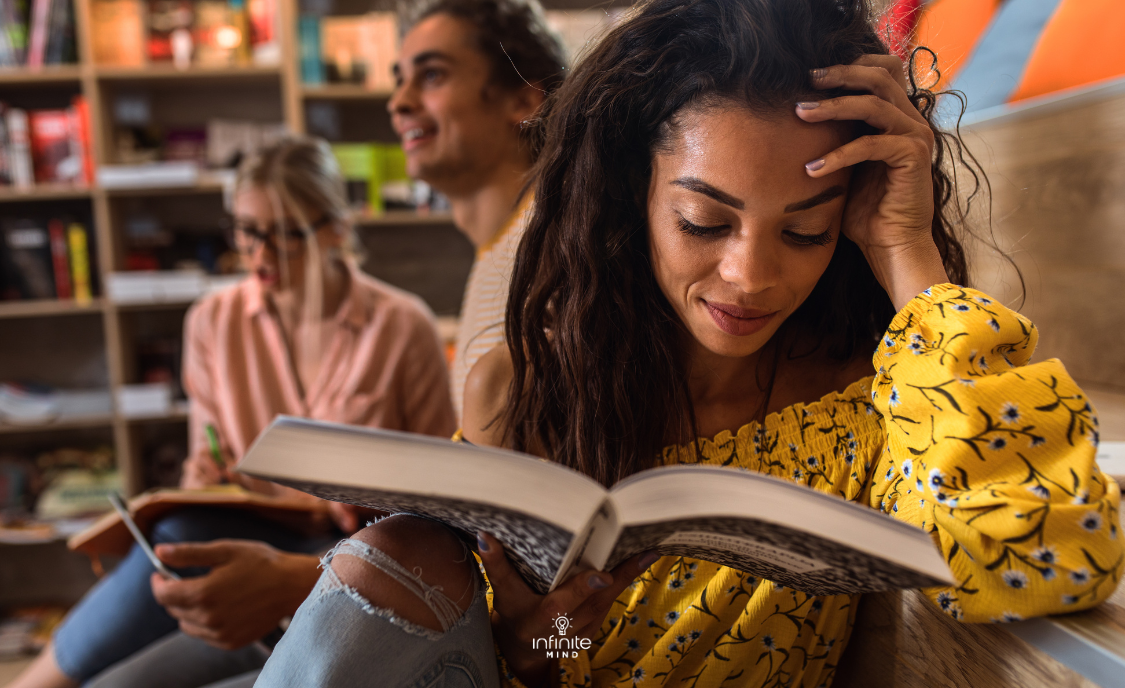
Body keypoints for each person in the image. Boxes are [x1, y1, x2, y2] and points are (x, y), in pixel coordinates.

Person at [253, 1, 1124, 687]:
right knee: (386, 560)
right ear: (634, 197)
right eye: (704, 221)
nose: (747, 276)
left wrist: (906, 252)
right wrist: (542, 650)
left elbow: (1049, 555)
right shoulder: (526, 390)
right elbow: (530, 657)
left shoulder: (879, 402)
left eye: (805, 232)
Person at [11, 138, 456, 688]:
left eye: (286, 233)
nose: (260, 254)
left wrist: (375, 500)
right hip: (243, 533)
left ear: (337, 227)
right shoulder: (213, 321)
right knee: (177, 534)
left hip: (350, 553)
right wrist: (197, 483)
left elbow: (444, 500)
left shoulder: (401, 325)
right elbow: (208, 458)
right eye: (246, 230)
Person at [388, 0, 566, 419]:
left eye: (432, 75)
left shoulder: (562, 245)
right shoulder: (504, 242)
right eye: (400, 81)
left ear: (523, 100)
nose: (398, 103)